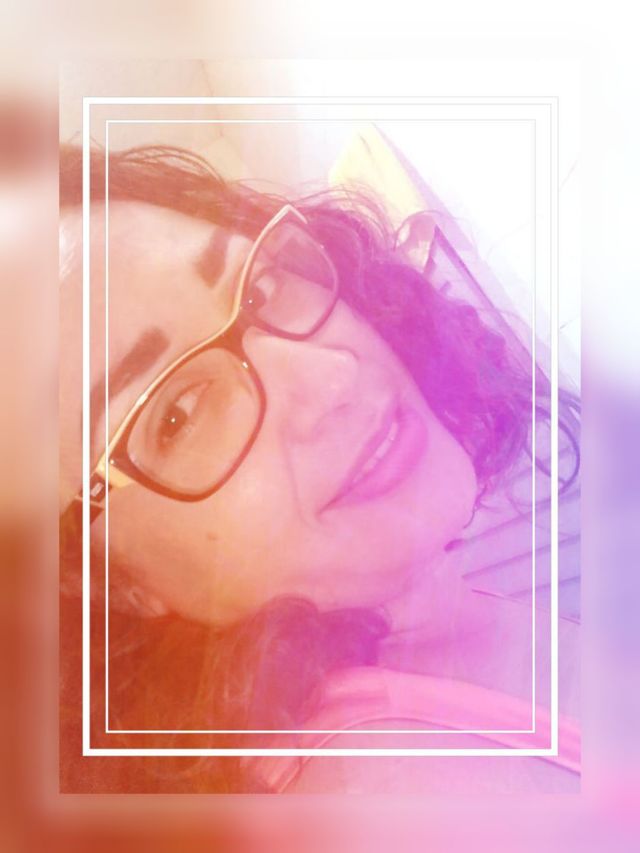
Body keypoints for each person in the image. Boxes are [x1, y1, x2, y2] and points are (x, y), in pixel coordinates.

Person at [59, 144, 580, 792]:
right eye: (177, 416)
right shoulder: (393, 797)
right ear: (108, 583)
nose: (333, 374)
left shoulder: (426, 617)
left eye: (259, 288)